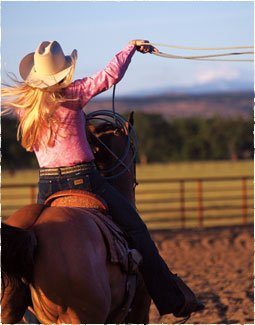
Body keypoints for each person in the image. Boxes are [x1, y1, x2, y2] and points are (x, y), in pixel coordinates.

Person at [1, 39, 204, 318]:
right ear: (62, 73)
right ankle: (172, 298)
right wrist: (130, 48)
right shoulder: (72, 94)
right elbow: (109, 75)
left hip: (47, 187)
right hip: (83, 180)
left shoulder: (26, 106)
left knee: (31, 244)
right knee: (135, 229)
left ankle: (24, 303)